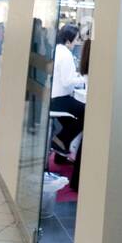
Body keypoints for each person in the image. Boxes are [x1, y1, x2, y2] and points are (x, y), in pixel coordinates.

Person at [50, 24, 85, 159]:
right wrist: (83, 80)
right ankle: (60, 140)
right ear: (69, 39)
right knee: (87, 112)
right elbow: (67, 81)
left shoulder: (58, 50)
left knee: (71, 124)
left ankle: (62, 149)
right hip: (61, 99)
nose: (77, 43)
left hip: (55, 98)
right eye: (76, 39)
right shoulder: (66, 55)